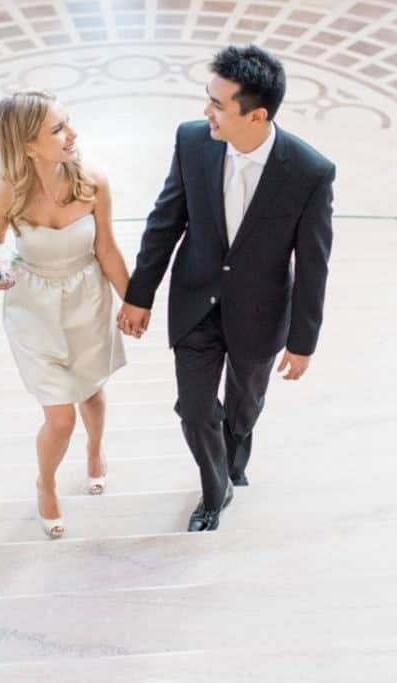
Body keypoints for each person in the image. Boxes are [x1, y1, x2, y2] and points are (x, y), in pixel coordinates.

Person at [118, 45, 335, 532]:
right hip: (196, 300)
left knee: (245, 406)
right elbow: (164, 221)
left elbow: (315, 263)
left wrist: (303, 343)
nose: (205, 112)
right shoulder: (192, 141)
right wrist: (139, 293)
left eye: (218, 104)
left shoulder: (310, 171)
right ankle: (215, 490)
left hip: (260, 312)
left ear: (256, 115)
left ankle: (235, 459)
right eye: (207, 99)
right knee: (195, 410)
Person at [0, 91, 128, 540]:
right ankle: (45, 482)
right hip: (34, 310)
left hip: (88, 300)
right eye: (58, 128)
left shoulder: (93, 182)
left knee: (93, 394)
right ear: (28, 145)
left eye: (69, 122)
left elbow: (106, 247)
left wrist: (134, 302)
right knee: (60, 415)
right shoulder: (3, 194)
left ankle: (96, 448)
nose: (73, 134)